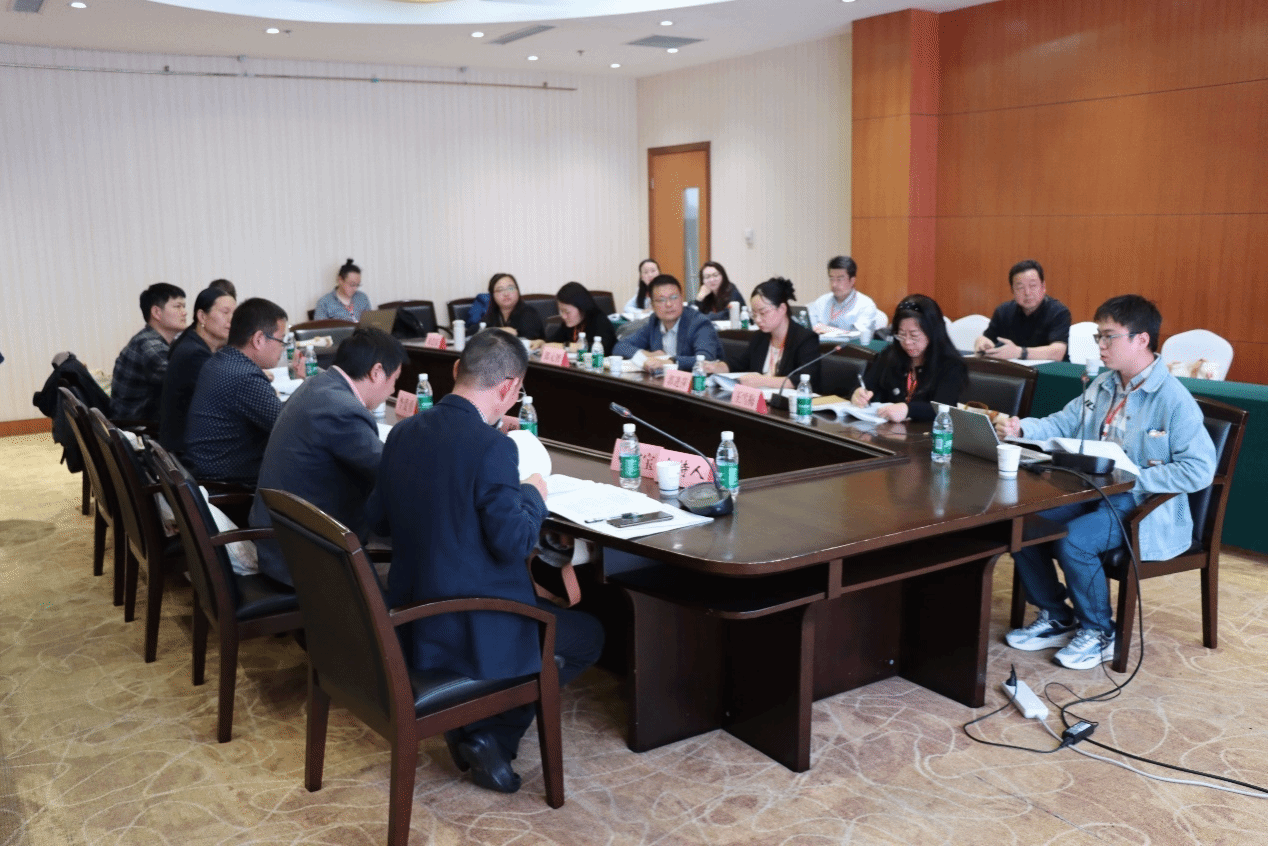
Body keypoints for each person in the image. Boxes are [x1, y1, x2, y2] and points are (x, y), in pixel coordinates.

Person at [367, 329, 604, 795]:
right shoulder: (494, 448)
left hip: (411, 613)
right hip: (471, 624)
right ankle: (492, 734)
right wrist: (532, 493)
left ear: (456, 369)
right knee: (587, 636)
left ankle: (474, 727)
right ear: (510, 388)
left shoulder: (404, 432)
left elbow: (379, 520)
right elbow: (514, 543)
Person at [999, 295, 1216, 670]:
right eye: (1098, 336)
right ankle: (1057, 616)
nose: (1100, 345)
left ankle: (1100, 631)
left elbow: (1199, 469)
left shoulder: (1173, 399)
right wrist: (1022, 429)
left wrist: (1135, 478)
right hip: (1094, 492)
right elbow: (1062, 422)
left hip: (1143, 504)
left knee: (1075, 540)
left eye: (1109, 337)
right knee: (1022, 524)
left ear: (1141, 340)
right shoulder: (1104, 384)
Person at [248, 327, 405, 586]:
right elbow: (390, 474)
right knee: (415, 564)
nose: (392, 390)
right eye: (394, 380)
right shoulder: (342, 410)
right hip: (305, 557)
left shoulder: (317, 385)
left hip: (282, 538)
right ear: (377, 372)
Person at [183, 298, 289, 484]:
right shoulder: (244, 376)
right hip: (229, 485)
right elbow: (288, 426)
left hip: (207, 470)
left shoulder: (221, 359)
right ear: (258, 339)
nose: (283, 348)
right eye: (281, 340)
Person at [850, 294, 967, 423]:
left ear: (933, 332)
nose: (907, 342)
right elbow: (866, 385)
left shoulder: (951, 365)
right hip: (886, 431)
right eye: (901, 335)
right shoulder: (890, 355)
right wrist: (858, 393)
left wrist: (909, 410)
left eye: (914, 335)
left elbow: (944, 408)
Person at [703, 277, 821, 391]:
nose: (758, 320)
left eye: (763, 313)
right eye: (754, 314)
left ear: (782, 309)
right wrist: (716, 367)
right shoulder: (760, 337)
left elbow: (804, 378)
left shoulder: (805, 339)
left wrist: (762, 381)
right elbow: (739, 364)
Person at [159, 287, 236, 458]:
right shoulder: (194, 354)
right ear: (202, 316)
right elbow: (229, 397)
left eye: (235, 313)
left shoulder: (192, 342)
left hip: (191, 442)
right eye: (225, 312)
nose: (232, 319)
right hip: (189, 453)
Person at [110, 282, 187, 421]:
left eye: (184, 306)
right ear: (157, 312)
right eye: (177, 306)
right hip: (138, 428)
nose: (184, 312)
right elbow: (183, 381)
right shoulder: (149, 344)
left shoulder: (150, 338)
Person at [614, 274, 721, 372]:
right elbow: (620, 347)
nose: (669, 304)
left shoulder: (699, 323)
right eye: (661, 300)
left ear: (681, 298)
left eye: (674, 297)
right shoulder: (654, 322)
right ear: (652, 305)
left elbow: (706, 359)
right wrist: (648, 354)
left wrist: (670, 361)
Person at [973, 259, 1071, 361]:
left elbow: (1057, 352)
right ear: (1012, 290)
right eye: (1020, 287)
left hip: (1052, 369)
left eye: (1033, 286)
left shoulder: (1059, 312)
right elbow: (987, 338)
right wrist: (981, 343)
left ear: (1043, 287)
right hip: (1015, 369)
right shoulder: (1003, 311)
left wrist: (1019, 352)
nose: (1027, 293)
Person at [807, 256, 886, 336]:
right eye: (831, 279)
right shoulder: (822, 301)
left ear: (852, 281)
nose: (834, 284)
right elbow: (808, 326)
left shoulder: (866, 305)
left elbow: (860, 335)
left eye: (839, 279)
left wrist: (831, 330)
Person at [548, 282, 617, 352]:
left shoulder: (599, 320)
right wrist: (543, 342)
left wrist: (567, 346)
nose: (563, 316)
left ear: (581, 307)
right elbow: (552, 341)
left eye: (567, 312)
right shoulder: (570, 323)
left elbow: (602, 347)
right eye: (561, 311)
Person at [483, 273, 545, 340]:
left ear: (517, 291)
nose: (506, 294)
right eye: (500, 290)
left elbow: (529, 340)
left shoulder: (529, 313)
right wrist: (499, 331)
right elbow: (479, 333)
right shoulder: (490, 314)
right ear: (492, 295)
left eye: (511, 288)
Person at [314, 258, 371, 322]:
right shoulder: (324, 303)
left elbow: (370, 322)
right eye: (352, 284)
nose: (355, 288)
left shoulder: (362, 298)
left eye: (357, 285)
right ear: (340, 280)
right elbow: (320, 327)